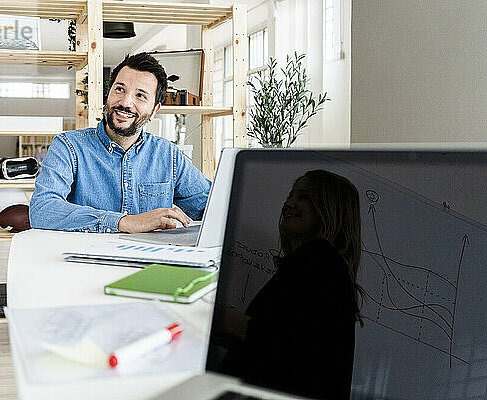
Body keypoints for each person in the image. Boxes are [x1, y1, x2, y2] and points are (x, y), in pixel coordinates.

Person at [215, 169, 364, 400]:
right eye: (290, 195)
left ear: (330, 207)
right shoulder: (324, 264)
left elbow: (283, 342)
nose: (289, 203)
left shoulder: (320, 257)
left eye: (303, 197)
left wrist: (222, 317)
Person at [29, 53, 211, 233]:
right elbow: (42, 210)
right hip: (85, 259)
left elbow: (211, 207)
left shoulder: (168, 155)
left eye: (140, 96)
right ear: (109, 93)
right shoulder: (69, 146)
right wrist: (124, 222)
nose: (125, 102)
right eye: (120, 89)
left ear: (155, 110)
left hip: (149, 259)